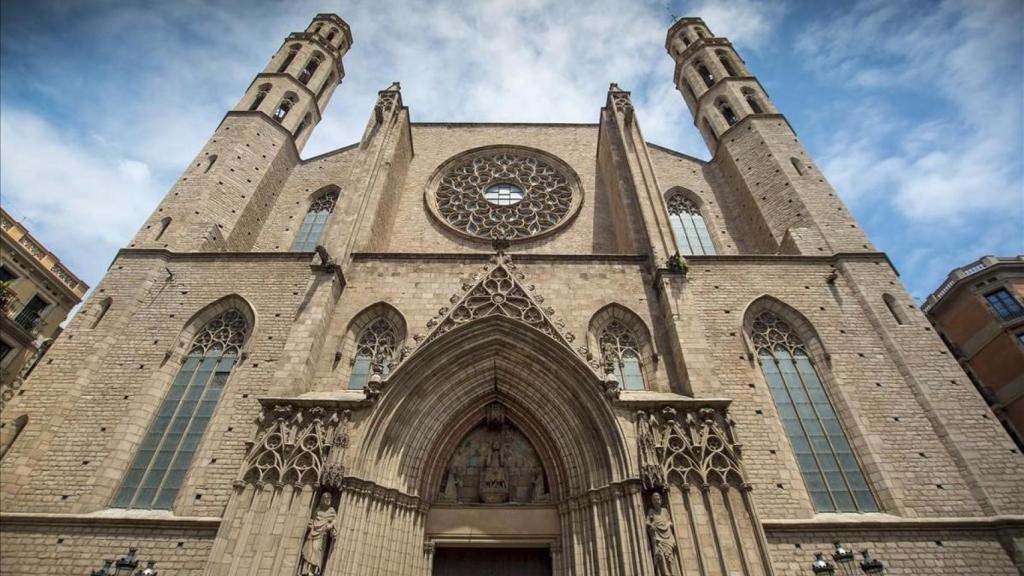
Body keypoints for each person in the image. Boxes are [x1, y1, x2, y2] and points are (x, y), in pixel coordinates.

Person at [299, 492, 339, 576]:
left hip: (322, 534)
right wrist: (311, 523)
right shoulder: (318, 509)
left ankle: (314, 569)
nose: (327, 500)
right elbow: (314, 519)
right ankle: (307, 569)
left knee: (316, 549)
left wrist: (330, 525)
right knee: (310, 550)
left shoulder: (331, 511)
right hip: (313, 532)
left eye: (329, 498)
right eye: (325, 498)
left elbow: (334, 520)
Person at [646, 491, 679, 576]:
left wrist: (668, 524)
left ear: (661, 500)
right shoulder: (651, 511)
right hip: (657, 535)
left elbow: (670, 522)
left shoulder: (664, 511)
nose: (657, 501)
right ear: (652, 501)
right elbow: (647, 522)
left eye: (658, 499)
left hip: (667, 535)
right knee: (660, 554)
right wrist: (651, 526)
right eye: (655, 500)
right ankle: (665, 573)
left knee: (670, 555)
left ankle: (673, 572)